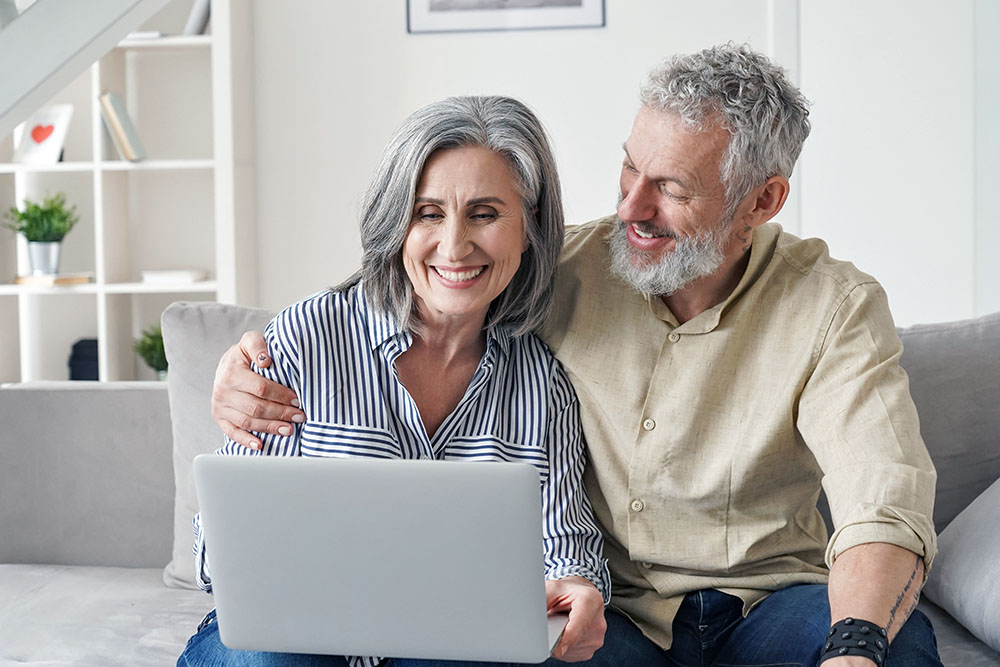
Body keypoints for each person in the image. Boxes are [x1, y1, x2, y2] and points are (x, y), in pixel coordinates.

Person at [212, 44, 942, 666]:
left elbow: (881, 499)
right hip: (617, 620)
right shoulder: (558, 266)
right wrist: (241, 369)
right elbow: (421, 269)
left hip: (768, 607)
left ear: (762, 200)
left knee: (898, 647)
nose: (629, 208)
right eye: (629, 170)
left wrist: (854, 642)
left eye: (671, 189)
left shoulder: (834, 306)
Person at [179, 95, 611, 667]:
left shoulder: (541, 382)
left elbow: (562, 547)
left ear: (528, 230)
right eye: (428, 214)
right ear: (396, 224)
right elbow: (219, 552)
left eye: (484, 214)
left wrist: (578, 589)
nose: (454, 246)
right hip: (292, 643)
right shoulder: (307, 338)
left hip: (445, 648)